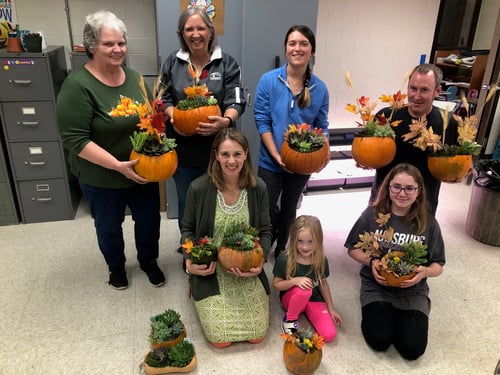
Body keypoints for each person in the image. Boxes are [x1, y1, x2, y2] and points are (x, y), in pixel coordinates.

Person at [56, 10, 165, 289]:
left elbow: (149, 120)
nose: (117, 49)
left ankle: (148, 261)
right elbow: (75, 139)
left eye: (121, 43)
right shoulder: (77, 86)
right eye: (108, 44)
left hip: (141, 171)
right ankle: (116, 266)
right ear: (92, 46)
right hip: (101, 176)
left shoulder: (134, 78)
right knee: (108, 227)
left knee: (149, 221)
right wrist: (117, 166)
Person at [160, 6, 246, 238]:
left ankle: (217, 246)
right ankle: (191, 248)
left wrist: (226, 120)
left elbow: (236, 100)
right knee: (187, 201)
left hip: (219, 149)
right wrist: (174, 117)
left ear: (210, 32)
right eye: (189, 29)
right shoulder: (173, 62)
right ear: (182, 34)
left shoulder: (227, 63)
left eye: (201, 28)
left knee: (219, 200)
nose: (195, 34)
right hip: (183, 148)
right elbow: (162, 97)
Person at [345, 163, 445, 360]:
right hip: (377, 286)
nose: (402, 193)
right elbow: (353, 248)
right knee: (379, 340)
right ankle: (386, 314)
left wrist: (424, 272)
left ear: (418, 191)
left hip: (412, 290)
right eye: (396, 186)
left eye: (409, 188)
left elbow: (438, 265)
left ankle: (404, 316)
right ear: (388, 187)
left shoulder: (429, 223)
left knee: (412, 349)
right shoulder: (372, 216)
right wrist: (372, 262)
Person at [182, 128, 271, 348]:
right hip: (212, 272)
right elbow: (188, 230)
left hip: (246, 269)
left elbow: (267, 231)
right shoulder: (199, 188)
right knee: (221, 340)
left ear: (246, 154)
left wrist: (261, 261)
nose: (231, 160)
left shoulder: (257, 187)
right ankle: (195, 286)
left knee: (257, 335)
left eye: (237, 154)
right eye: (225, 154)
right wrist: (190, 263)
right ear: (216, 155)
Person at [254, 25, 329, 259]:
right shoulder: (268, 81)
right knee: (265, 208)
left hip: (302, 164)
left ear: (312, 50)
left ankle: (281, 248)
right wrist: (276, 155)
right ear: (286, 48)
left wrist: (323, 154)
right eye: (292, 43)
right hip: (270, 160)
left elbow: (322, 126)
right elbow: (262, 120)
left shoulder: (320, 88)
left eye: (303, 43)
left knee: (289, 208)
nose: (297, 48)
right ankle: (265, 243)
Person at [370, 63, 459, 215]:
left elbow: (458, 162)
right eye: (413, 88)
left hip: (423, 204)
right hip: (384, 199)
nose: (416, 96)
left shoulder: (448, 124)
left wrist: (456, 174)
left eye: (424, 90)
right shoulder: (386, 117)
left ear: (437, 91)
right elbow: (370, 151)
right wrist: (366, 161)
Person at [273, 215, 342, 343]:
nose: (305, 247)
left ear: (319, 240)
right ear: (294, 239)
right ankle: (289, 320)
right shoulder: (285, 259)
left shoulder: (321, 260)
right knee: (305, 290)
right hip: (292, 298)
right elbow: (276, 285)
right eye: (300, 241)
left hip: (313, 299)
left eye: (310, 241)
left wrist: (331, 309)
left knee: (329, 335)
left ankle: (307, 308)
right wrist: (295, 281)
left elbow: (324, 284)